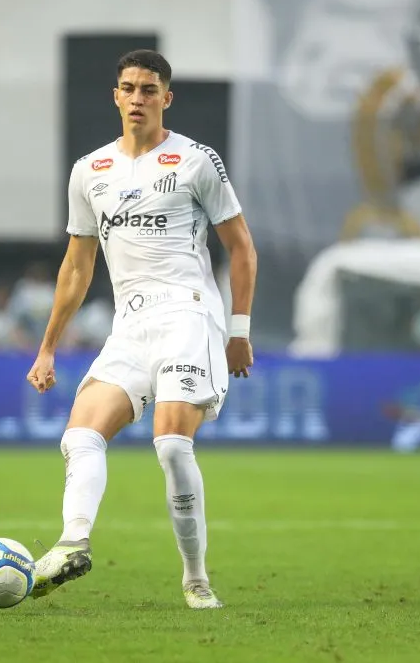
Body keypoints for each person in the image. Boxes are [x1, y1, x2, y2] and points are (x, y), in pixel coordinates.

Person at [25, 49, 258, 609]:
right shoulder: (90, 171)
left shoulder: (196, 161)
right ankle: (72, 543)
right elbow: (78, 266)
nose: (137, 98)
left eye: (149, 90)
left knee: (173, 445)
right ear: (115, 96)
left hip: (188, 313)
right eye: (128, 88)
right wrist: (48, 347)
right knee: (80, 435)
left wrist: (239, 329)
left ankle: (196, 578)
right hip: (130, 324)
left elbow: (242, 249)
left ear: (166, 98)